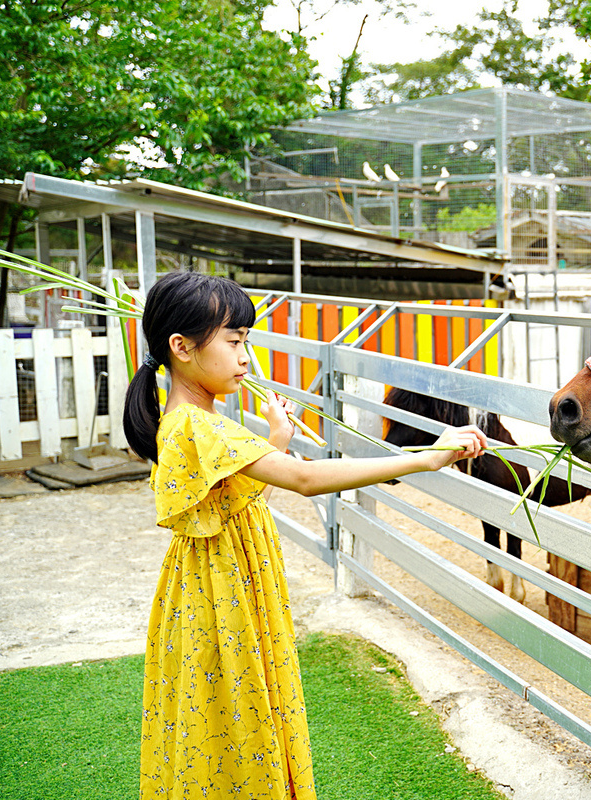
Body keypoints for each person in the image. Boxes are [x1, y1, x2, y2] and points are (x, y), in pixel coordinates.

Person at [123, 271, 487, 798]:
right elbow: (306, 480)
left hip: (221, 586)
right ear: (181, 347)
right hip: (221, 595)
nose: (245, 356)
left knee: (228, 715)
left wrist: (274, 439)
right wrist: (426, 457)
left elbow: (234, 505)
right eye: (234, 341)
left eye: (245, 341)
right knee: (233, 715)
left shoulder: (192, 422)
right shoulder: (200, 427)